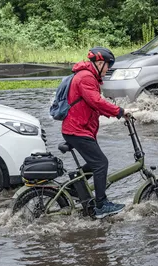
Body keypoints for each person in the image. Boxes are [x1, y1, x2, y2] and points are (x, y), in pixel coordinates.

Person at [61, 46, 130, 219]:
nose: (108, 69)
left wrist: (114, 112)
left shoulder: (87, 75)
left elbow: (93, 105)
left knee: (94, 163)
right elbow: (96, 101)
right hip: (77, 130)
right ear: (99, 63)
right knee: (101, 163)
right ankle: (101, 204)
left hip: (79, 129)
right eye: (108, 65)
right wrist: (119, 111)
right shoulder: (86, 77)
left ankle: (74, 187)